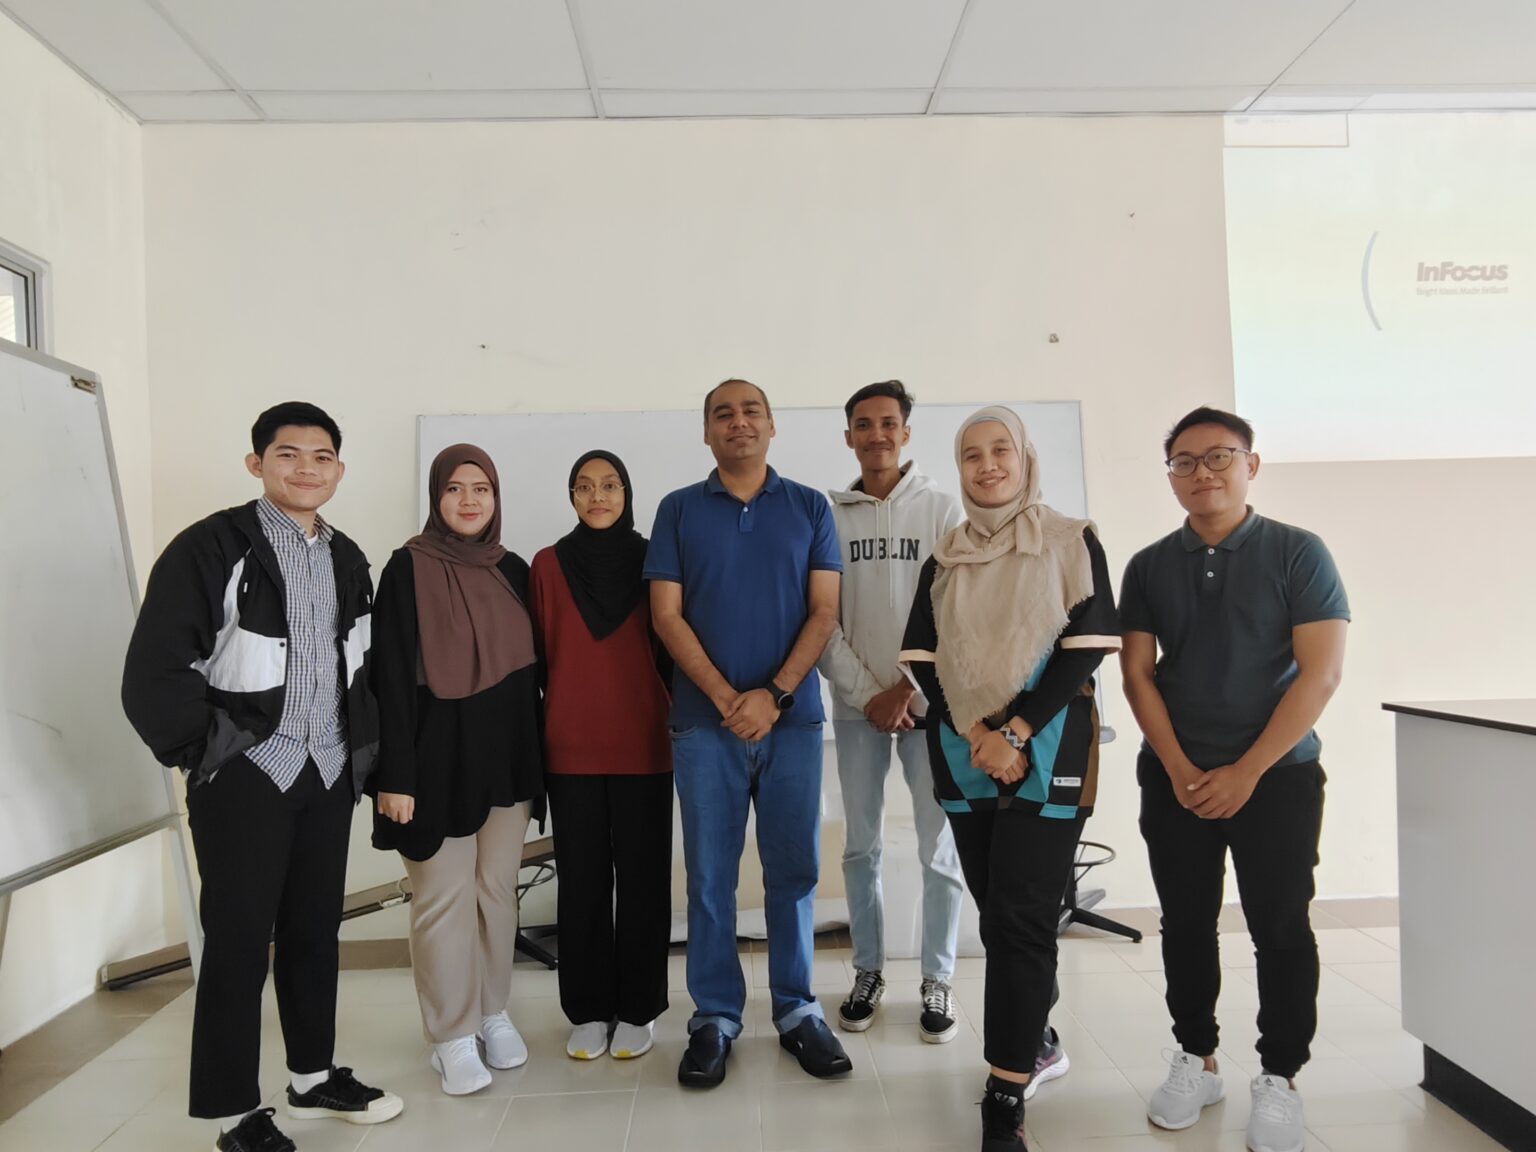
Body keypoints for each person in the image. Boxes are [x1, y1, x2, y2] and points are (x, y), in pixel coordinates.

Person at [122, 402, 402, 1152]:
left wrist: (365, 757)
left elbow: (363, 668)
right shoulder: (211, 547)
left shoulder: (347, 557)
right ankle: (232, 1114)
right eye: (288, 454)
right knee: (239, 942)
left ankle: (312, 1078)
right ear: (257, 464)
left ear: (339, 469)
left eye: (321, 457)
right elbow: (153, 672)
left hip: (327, 769)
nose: (306, 468)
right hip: (246, 775)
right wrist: (211, 752)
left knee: (314, 933)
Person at [1119, 407, 1348, 1152]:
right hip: (1176, 778)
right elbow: (1137, 674)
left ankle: (1280, 1078)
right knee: (1185, 923)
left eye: (1219, 456)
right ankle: (1197, 1058)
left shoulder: (1298, 551)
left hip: (1278, 779)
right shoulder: (1149, 565)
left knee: (1280, 926)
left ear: (1251, 465)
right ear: (1171, 476)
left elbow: (1320, 674)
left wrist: (1248, 771)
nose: (1202, 473)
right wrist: (1181, 769)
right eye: (1184, 462)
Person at [900, 406, 1120, 1152]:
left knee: (1022, 921)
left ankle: (1004, 1097)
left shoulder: (1070, 540)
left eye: (1002, 450)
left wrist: (1015, 732)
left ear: (1025, 459)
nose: (988, 464)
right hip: (965, 755)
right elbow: (924, 659)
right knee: (999, 917)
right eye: (972, 454)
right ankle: (1038, 1038)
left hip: (1047, 749)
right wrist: (979, 736)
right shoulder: (946, 558)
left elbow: (1085, 647)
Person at [644, 378, 852, 1087]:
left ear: (772, 425)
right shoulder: (677, 510)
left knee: (794, 871)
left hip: (793, 726)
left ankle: (797, 1009)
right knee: (709, 878)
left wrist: (775, 695)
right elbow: (666, 615)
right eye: (723, 413)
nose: (738, 422)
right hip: (705, 726)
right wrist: (730, 698)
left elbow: (824, 611)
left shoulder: (809, 506)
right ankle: (715, 1017)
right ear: (707, 432)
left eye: (751, 411)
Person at [368, 443, 545, 1096]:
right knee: (442, 898)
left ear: (496, 498)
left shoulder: (514, 569)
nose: (469, 500)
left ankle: (492, 1011)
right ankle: (451, 1034)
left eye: (482, 489)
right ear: (436, 496)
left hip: (507, 758)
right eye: (455, 489)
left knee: (496, 891)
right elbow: (389, 675)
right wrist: (395, 775)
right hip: (433, 762)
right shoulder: (406, 568)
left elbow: (534, 676)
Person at [817, 380, 968, 1044]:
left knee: (939, 847)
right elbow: (821, 618)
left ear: (905, 432)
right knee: (861, 846)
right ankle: (869, 971)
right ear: (849, 436)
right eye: (863, 424)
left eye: (887, 423)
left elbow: (956, 608)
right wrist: (867, 694)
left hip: (929, 705)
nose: (876, 434)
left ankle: (938, 978)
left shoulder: (940, 509)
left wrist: (906, 687)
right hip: (858, 710)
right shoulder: (828, 516)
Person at [530, 450, 673, 1062]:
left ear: (627, 493)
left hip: (645, 742)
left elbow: (673, 648)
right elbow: (538, 657)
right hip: (570, 747)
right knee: (582, 884)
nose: (598, 497)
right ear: (571, 496)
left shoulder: (656, 559)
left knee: (643, 882)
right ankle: (588, 1011)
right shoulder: (547, 565)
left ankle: (639, 1009)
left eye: (610, 485)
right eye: (585, 487)